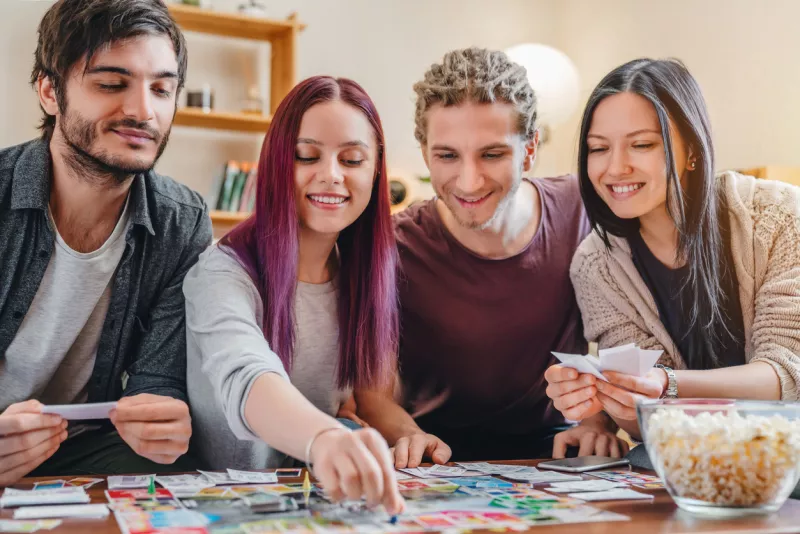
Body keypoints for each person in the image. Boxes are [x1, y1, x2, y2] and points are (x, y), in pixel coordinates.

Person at [357, 48, 629, 464]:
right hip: (436, 457)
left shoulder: (583, 210)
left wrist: (597, 422)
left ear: (530, 148)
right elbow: (372, 395)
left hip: (558, 452)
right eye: (447, 156)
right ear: (425, 150)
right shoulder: (394, 246)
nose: (469, 181)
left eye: (492, 154)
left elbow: (624, 339)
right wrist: (410, 437)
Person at [0, 0, 211, 485]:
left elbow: (158, 383)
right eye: (111, 84)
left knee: (179, 464)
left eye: (162, 89)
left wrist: (162, 420)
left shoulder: (183, 221)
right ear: (50, 91)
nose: (143, 110)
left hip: (86, 451)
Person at [544, 58, 800, 439]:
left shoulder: (778, 216)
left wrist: (666, 384)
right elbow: (648, 422)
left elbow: (787, 375)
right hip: (689, 452)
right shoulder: (597, 264)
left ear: (692, 149)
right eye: (599, 149)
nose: (614, 168)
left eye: (642, 144)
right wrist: (606, 397)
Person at [185, 76, 405, 513]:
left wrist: (408, 436)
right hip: (225, 508)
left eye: (353, 159)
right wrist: (325, 437)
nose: (331, 175)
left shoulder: (367, 276)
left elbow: (367, 398)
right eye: (306, 156)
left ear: (376, 170)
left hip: (316, 505)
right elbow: (248, 377)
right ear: (275, 164)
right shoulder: (220, 272)